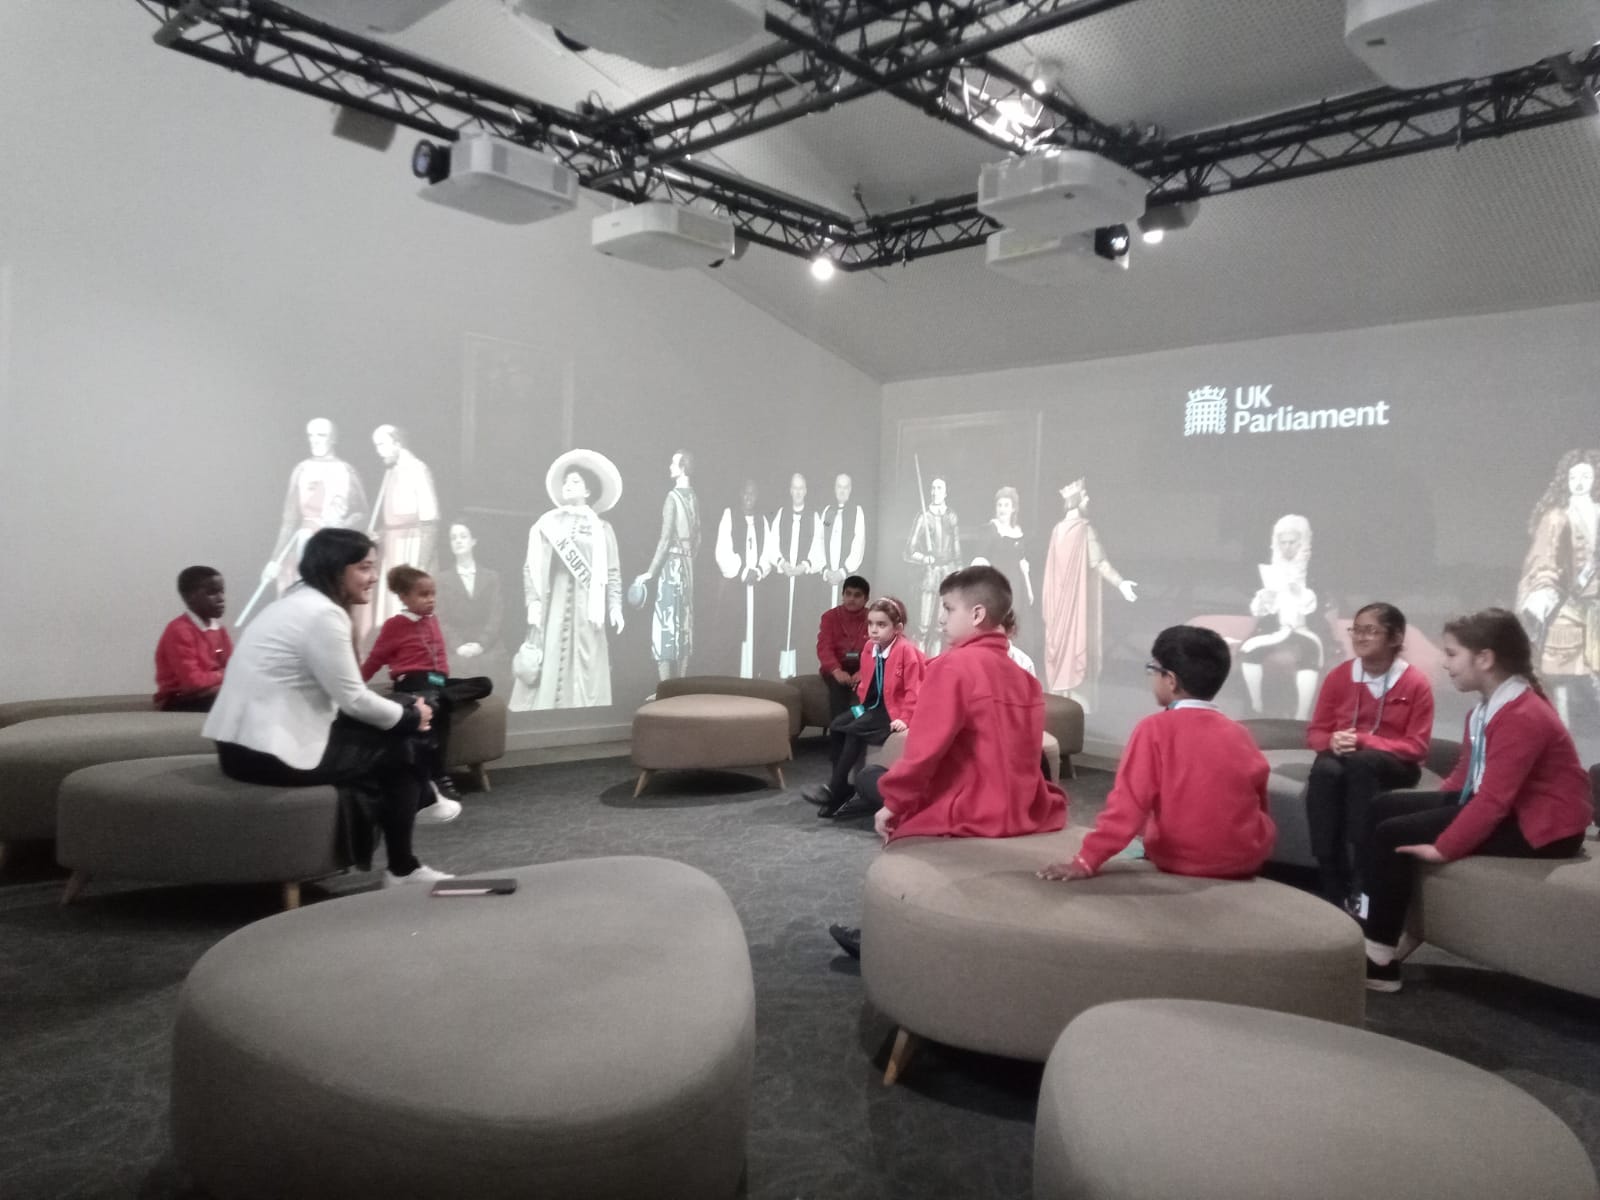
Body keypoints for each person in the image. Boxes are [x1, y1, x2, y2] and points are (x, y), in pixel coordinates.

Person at [828, 566, 1068, 957]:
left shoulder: (950, 668)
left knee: (885, 802)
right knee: (877, 780)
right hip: (1026, 806)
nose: (940, 618)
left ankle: (887, 941)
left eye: (948, 608)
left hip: (972, 808)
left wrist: (895, 804)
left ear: (976, 614)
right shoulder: (1025, 680)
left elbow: (923, 752)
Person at [204, 529, 455, 887]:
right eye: (365, 567)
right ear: (336, 568)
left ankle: (424, 805)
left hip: (238, 748)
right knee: (403, 746)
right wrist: (412, 716)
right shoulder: (323, 615)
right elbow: (353, 699)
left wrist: (401, 712)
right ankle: (405, 863)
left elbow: (342, 698)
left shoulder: (293, 603)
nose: (374, 577)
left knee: (390, 726)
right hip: (268, 754)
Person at [1359, 609, 1593, 992]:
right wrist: (1433, 811)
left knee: (1392, 834)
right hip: (1510, 810)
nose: (1444, 663)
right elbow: (1464, 778)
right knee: (1384, 807)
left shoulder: (1523, 714)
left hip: (1544, 829)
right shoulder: (1486, 710)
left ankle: (1380, 962)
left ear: (1484, 658)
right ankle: (1374, 921)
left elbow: (1493, 802)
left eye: (1452, 654)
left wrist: (1444, 846)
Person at [1038, 626, 1275, 882]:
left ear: (1170, 680)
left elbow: (1127, 807)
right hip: (1246, 858)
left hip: (1182, 858)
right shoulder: (1240, 733)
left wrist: (1086, 860)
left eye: (1153, 669)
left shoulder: (1154, 729)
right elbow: (1259, 801)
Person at [1302, 602, 1434, 910]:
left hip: (1393, 764)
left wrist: (1364, 741)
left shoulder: (1415, 682)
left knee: (1362, 763)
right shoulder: (1339, 676)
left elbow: (1417, 747)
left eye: (1370, 630)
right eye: (1356, 630)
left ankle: (1363, 879)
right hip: (1345, 758)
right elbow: (1316, 733)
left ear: (1395, 637)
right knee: (1326, 772)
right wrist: (1331, 740)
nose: (1360, 637)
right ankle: (1330, 878)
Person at [362, 565, 492, 805]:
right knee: (434, 706)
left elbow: (440, 656)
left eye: (433, 594)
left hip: (434, 681)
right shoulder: (395, 625)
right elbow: (376, 657)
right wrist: (358, 682)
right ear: (404, 597)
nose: (431, 599)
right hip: (412, 678)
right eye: (423, 595)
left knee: (484, 684)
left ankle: (440, 697)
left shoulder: (432, 621)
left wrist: (442, 680)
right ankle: (439, 776)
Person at [510, 450, 625, 711]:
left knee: (586, 663)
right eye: (566, 482)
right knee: (551, 655)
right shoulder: (548, 523)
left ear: (588, 490)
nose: (568, 486)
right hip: (555, 604)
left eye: (575, 481)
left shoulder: (602, 528)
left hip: (589, 609)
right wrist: (533, 601)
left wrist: (615, 606)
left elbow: (612, 571)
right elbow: (531, 566)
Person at [807, 596, 925, 819]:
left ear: (897, 628)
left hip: (890, 711)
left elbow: (915, 690)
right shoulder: (870, 648)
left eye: (881, 625)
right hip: (870, 707)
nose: (874, 630)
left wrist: (905, 718)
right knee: (838, 724)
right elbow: (867, 685)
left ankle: (835, 789)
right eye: (870, 624)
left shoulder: (906, 651)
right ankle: (842, 786)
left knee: (855, 730)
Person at [1516, 448, 1600, 728]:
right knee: (1559, 672)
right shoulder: (1556, 517)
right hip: (1570, 604)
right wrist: (1544, 590)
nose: (1579, 482)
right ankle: (1563, 731)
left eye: (1586, 476)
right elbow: (1545, 559)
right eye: (1574, 476)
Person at [1042, 478, 1137, 711]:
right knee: (1076, 655)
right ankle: (1076, 711)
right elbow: (1100, 563)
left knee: (1063, 658)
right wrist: (1121, 583)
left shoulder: (1057, 530)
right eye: (1085, 496)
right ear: (1077, 500)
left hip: (1058, 608)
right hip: (1074, 609)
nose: (1088, 500)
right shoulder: (1084, 530)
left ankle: (1062, 711)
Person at [259, 417, 370, 602]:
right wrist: (274, 559)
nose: (315, 440)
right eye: (311, 435)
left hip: (335, 548)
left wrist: (344, 525)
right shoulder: (302, 470)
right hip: (306, 544)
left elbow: (363, 514)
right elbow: (289, 519)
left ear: (333, 438)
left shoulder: (346, 471)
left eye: (321, 435)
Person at [1240, 514, 1323, 719]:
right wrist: (1266, 598)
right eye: (1283, 542)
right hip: (1274, 630)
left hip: (1304, 629)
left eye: (1292, 542)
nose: (1287, 547)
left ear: (1301, 542)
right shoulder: (1271, 570)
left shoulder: (1313, 572)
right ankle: (1256, 706)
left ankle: (1302, 715)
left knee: (1309, 653)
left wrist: (1299, 593)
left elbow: (1319, 606)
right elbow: (1259, 610)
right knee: (1251, 651)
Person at [632, 450, 700, 682]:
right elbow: (698, 537)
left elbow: (664, 540)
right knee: (684, 626)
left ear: (683, 468)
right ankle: (680, 685)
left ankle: (666, 687)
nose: (670, 466)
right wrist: (688, 558)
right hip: (688, 568)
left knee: (665, 627)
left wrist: (650, 572)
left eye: (674, 463)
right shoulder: (694, 497)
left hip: (671, 569)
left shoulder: (672, 498)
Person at [370, 424, 440, 628]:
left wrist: (420, 567)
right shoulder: (391, 471)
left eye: (382, 444)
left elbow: (430, 520)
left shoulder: (417, 469)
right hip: (392, 549)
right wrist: (380, 534)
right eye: (376, 446)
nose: (379, 451)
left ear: (397, 442)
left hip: (411, 547)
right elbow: (394, 519)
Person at [970, 486, 1038, 663]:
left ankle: (1010, 664)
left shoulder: (1018, 532)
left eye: (1006, 505)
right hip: (997, 586)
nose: (1002, 509)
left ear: (1013, 508)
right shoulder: (991, 529)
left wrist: (1029, 589)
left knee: (1014, 625)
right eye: (999, 505)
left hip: (1016, 587)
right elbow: (980, 559)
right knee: (997, 623)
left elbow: (1023, 563)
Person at [153, 565, 233, 712]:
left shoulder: (220, 630)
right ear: (189, 597)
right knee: (235, 699)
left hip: (210, 691)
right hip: (178, 698)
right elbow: (193, 682)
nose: (221, 599)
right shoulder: (179, 630)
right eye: (212, 593)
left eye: (222, 592)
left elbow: (235, 668)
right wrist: (224, 674)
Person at [714, 480, 770, 679]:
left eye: (752, 493)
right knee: (733, 633)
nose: (749, 497)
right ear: (740, 494)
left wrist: (759, 570)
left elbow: (768, 552)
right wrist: (743, 571)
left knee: (756, 633)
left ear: (757, 496)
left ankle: (751, 678)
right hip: (735, 586)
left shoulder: (762, 520)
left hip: (756, 586)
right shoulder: (729, 515)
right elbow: (722, 552)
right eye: (746, 493)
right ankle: (731, 679)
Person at [767, 472, 820, 678]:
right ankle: (781, 672)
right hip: (784, 579)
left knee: (801, 624)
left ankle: (798, 673)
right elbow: (772, 545)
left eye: (801, 488)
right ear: (790, 490)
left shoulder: (814, 517)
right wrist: (782, 563)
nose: (798, 492)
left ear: (805, 491)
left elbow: (818, 548)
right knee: (781, 623)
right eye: (794, 488)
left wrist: (804, 566)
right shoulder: (781, 515)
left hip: (803, 581)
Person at [903, 476, 961, 656]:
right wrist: (925, 558)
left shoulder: (951, 517)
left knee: (938, 629)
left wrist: (959, 572)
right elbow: (909, 550)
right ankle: (919, 664)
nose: (936, 492)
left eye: (939, 488)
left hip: (947, 574)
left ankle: (933, 664)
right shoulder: (924, 516)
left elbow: (956, 549)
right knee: (923, 627)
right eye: (933, 488)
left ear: (946, 492)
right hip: (929, 574)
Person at [434, 521, 504, 668]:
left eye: (463, 536)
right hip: (455, 649)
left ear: (473, 541)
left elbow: (496, 615)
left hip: (487, 647)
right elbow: (441, 619)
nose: (458, 541)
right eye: (453, 538)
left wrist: (481, 644)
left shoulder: (491, 577)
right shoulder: (441, 580)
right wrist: (458, 646)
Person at [817, 575, 871, 721]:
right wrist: (836, 671)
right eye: (848, 594)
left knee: (867, 693)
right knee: (839, 694)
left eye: (857, 595)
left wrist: (865, 671)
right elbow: (824, 647)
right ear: (843, 595)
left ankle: (859, 731)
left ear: (866, 599)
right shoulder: (830, 617)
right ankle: (838, 733)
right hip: (836, 668)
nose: (851, 599)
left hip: (864, 667)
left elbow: (878, 648)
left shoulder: (872, 618)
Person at [817, 473, 867, 608]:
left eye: (845, 487)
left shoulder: (857, 511)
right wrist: (825, 570)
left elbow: (858, 544)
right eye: (839, 487)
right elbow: (820, 540)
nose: (842, 491)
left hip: (847, 577)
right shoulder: (828, 511)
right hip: (827, 577)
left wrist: (843, 572)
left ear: (850, 489)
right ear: (835, 489)